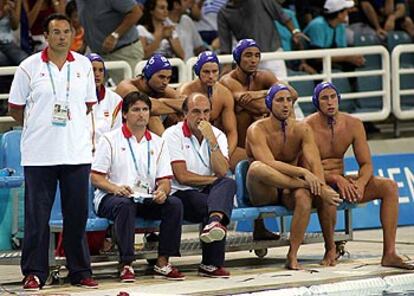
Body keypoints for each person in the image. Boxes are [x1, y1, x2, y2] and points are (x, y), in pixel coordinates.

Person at [8, 13, 98, 290]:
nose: (61, 37)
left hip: (76, 153)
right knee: (37, 218)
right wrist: (40, 125)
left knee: (76, 216)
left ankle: (80, 270)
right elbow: (15, 108)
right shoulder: (28, 67)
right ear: (46, 36)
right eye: (56, 32)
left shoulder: (84, 65)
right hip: (39, 154)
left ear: (73, 35)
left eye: (66, 32)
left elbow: (88, 104)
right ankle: (34, 272)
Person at [305, 81, 414, 270]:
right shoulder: (306, 127)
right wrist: (336, 178)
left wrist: (361, 183)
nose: (330, 102)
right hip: (319, 183)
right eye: (324, 98)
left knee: (389, 187)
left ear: (338, 99)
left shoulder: (353, 124)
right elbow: (309, 168)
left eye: (333, 97)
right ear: (317, 102)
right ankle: (330, 248)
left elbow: (366, 164)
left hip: (343, 181)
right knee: (329, 195)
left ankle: (389, 254)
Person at [91, 91, 185, 282]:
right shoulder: (109, 139)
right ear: (125, 114)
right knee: (125, 205)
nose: (141, 114)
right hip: (112, 197)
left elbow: (165, 180)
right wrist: (115, 188)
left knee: (174, 204)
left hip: (145, 197)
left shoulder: (159, 143)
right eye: (135, 110)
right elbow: (96, 177)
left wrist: (162, 192)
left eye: (145, 109)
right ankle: (126, 264)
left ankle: (162, 261)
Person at [245, 83, 342, 270]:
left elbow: (315, 163)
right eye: (280, 100)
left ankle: (295, 254)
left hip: (291, 188)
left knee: (304, 198)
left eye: (289, 100)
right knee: (257, 167)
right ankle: (309, 187)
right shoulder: (256, 129)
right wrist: (304, 175)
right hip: (265, 190)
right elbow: (269, 163)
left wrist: (320, 185)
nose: (285, 105)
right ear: (269, 103)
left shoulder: (302, 129)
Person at [162, 93, 235, 277]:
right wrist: (214, 181)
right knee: (213, 202)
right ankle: (211, 263)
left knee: (228, 183)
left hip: (210, 191)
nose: (202, 117)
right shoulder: (172, 134)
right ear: (185, 113)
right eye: (196, 112)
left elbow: (222, 171)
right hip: (182, 193)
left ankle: (214, 223)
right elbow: (182, 176)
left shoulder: (217, 135)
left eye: (206, 112)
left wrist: (212, 141)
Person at [220, 39, 302, 149]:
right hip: (239, 144)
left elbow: (293, 94)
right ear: (238, 58)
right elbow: (257, 107)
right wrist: (273, 99)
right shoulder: (228, 81)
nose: (253, 60)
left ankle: (288, 147)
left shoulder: (264, 76)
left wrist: (259, 93)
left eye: (257, 56)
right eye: (248, 56)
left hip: (262, 139)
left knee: (287, 107)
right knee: (246, 113)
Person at [179, 51, 245, 170]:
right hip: (189, 143)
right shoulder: (186, 92)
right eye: (206, 72)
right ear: (198, 71)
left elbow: (231, 132)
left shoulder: (224, 94)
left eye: (214, 72)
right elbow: (179, 128)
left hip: (215, 142)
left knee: (248, 158)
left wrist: (225, 155)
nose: (211, 76)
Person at [217, 0, 308, 80]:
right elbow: (225, 43)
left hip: (272, 54)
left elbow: (281, 15)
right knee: (253, 95)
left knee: (282, 90)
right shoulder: (223, 12)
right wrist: (226, 66)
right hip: (247, 59)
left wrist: (295, 31)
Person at [76, 0, 144, 83]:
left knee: (131, 92)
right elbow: (89, 22)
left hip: (124, 52)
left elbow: (136, 12)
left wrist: (115, 35)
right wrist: (84, 43)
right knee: (91, 92)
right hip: (98, 56)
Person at [116, 54, 184, 135]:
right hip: (121, 131)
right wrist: (176, 107)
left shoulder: (160, 87)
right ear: (148, 75)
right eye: (161, 77)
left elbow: (187, 102)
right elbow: (151, 108)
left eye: (168, 78)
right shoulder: (127, 87)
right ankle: (163, 146)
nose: (165, 82)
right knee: (151, 116)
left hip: (141, 130)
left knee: (177, 116)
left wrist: (163, 102)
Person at [303, 0, 365, 73]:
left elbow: (342, 50)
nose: (347, 13)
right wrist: (347, 58)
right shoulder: (317, 25)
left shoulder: (340, 26)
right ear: (339, 14)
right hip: (315, 63)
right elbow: (317, 56)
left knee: (354, 65)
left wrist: (354, 57)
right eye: (345, 11)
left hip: (331, 60)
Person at [86, 53, 122, 152]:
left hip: (105, 155)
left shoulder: (115, 100)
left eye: (101, 70)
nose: (97, 74)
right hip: (81, 155)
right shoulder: (74, 98)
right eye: (93, 69)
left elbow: (116, 133)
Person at [0, 0, 29, 66]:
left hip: (7, 43)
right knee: (3, 60)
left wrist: (11, 11)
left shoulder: (10, 3)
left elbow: (15, 26)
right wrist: (3, 13)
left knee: (24, 60)